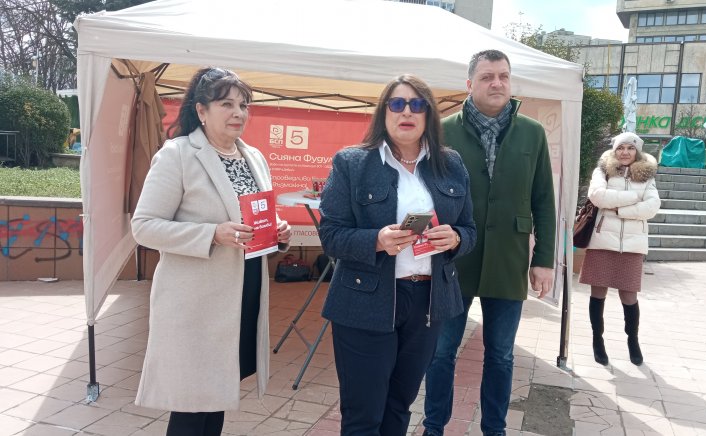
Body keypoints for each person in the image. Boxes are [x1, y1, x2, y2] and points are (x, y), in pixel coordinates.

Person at [130, 67, 291, 436]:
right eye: (226, 104)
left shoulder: (254, 157)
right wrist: (212, 235)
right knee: (192, 405)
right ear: (201, 111)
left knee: (218, 393)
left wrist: (277, 230)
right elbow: (144, 226)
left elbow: (255, 214)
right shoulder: (178, 154)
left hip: (243, 293)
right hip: (196, 302)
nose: (238, 113)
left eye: (244, 105)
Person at [318, 74, 477, 436]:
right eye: (397, 103)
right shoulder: (352, 163)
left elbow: (470, 229)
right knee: (363, 415)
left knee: (399, 406)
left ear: (428, 115)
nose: (407, 112)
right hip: (365, 301)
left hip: (427, 303)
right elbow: (330, 235)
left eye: (417, 104)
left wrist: (455, 238)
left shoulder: (451, 164)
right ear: (384, 112)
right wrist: (376, 240)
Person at [422, 49, 556, 436]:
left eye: (503, 76)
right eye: (486, 77)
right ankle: (434, 427)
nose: (496, 83)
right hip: (453, 257)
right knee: (441, 351)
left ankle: (493, 429)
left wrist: (543, 259)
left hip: (509, 257)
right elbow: (423, 192)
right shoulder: (442, 130)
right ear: (469, 84)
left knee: (500, 354)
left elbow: (543, 199)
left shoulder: (532, 132)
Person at [579, 131, 660, 367]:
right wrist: (634, 197)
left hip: (633, 245)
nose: (625, 152)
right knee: (598, 293)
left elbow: (652, 206)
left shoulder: (647, 176)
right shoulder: (602, 170)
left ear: (638, 151)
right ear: (614, 150)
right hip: (603, 240)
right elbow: (598, 196)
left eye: (630, 148)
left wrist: (619, 209)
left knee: (629, 296)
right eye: (620, 148)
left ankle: (633, 340)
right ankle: (597, 340)